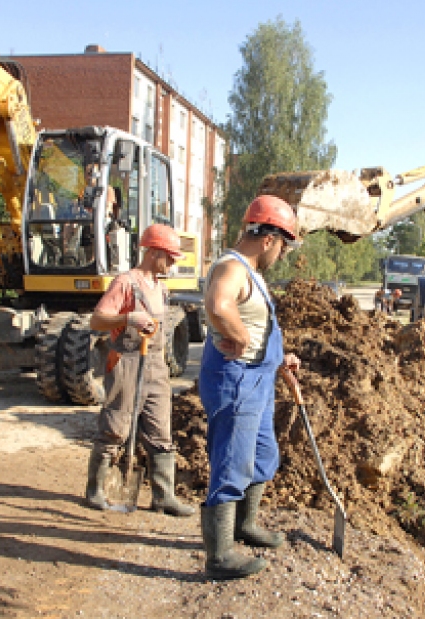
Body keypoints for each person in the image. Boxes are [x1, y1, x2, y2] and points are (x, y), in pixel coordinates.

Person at [199, 194, 301, 580]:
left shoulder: (252, 273)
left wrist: (279, 358)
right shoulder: (232, 266)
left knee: (261, 454)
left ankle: (245, 524)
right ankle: (220, 554)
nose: (282, 255)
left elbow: (256, 325)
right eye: (284, 246)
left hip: (257, 376)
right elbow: (218, 304)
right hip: (235, 378)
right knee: (231, 460)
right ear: (270, 239)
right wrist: (239, 337)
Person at [83, 224, 195, 517]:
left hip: (156, 364)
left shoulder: (161, 287)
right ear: (154, 252)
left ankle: (163, 496)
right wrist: (128, 317)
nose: (172, 264)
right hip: (127, 362)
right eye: (169, 257)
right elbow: (97, 321)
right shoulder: (125, 283)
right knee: (116, 427)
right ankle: (96, 489)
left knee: (160, 429)